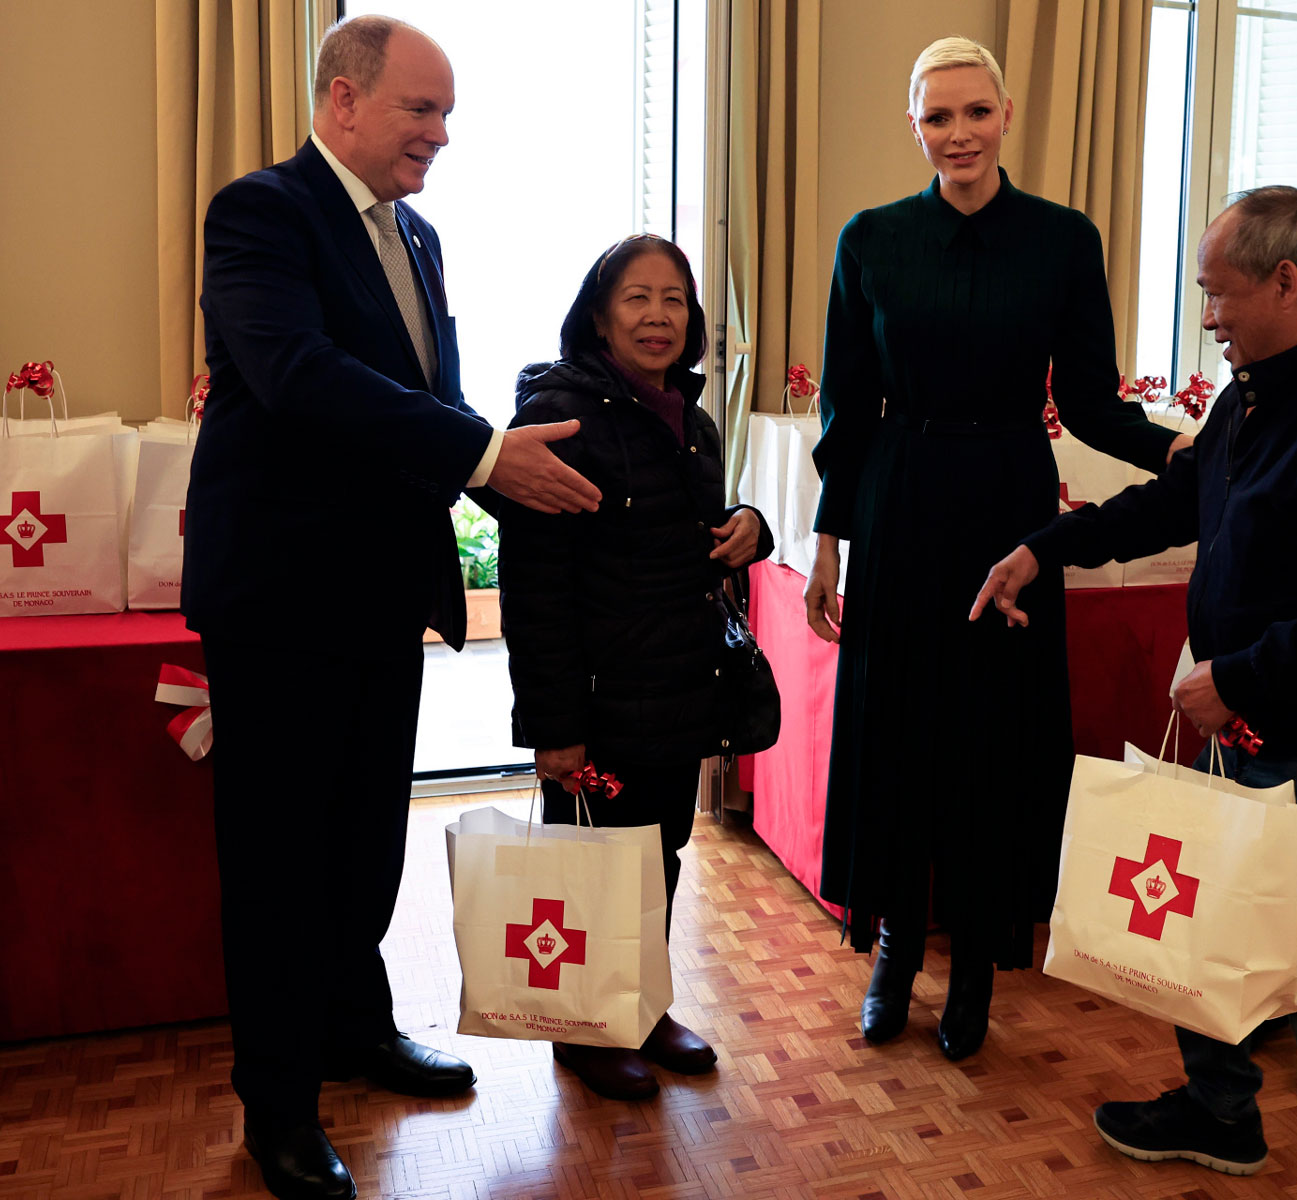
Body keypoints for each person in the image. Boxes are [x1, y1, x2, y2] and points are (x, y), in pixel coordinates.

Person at [184, 17, 601, 1200]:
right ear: (343, 99)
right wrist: (484, 456)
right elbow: (300, 377)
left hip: (380, 597)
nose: (440, 133)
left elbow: (429, 398)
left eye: (448, 112)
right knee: (278, 861)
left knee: (365, 845)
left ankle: (355, 1033)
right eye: (421, 109)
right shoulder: (260, 213)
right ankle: (277, 1103)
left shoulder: (417, 236)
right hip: (279, 599)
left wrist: (509, 483)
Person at [971, 186, 1297, 1198]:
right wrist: (1041, 551)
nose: (1207, 315)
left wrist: (1238, 675)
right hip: (1250, 723)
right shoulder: (1252, 391)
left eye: (1215, 293)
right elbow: (1175, 501)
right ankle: (1221, 1110)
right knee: (1210, 934)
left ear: (1285, 281)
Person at [803, 36, 1191, 1062]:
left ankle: (975, 958)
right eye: (938, 118)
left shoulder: (1064, 240)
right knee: (895, 729)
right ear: (916, 127)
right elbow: (849, 408)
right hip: (897, 502)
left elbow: (1096, 404)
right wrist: (830, 539)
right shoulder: (870, 239)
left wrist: (1184, 449)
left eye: (975, 113)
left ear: (1007, 115)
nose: (958, 134)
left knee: (991, 735)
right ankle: (894, 944)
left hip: (1011, 508)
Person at [499, 234, 773, 1101]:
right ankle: (584, 1032)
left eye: (675, 301)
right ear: (598, 313)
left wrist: (748, 529)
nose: (659, 317)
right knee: (593, 868)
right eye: (637, 299)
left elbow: (690, 542)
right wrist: (556, 729)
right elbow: (532, 591)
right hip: (597, 699)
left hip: (677, 689)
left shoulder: (690, 422)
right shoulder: (561, 419)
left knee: (659, 857)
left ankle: (643, 1009)